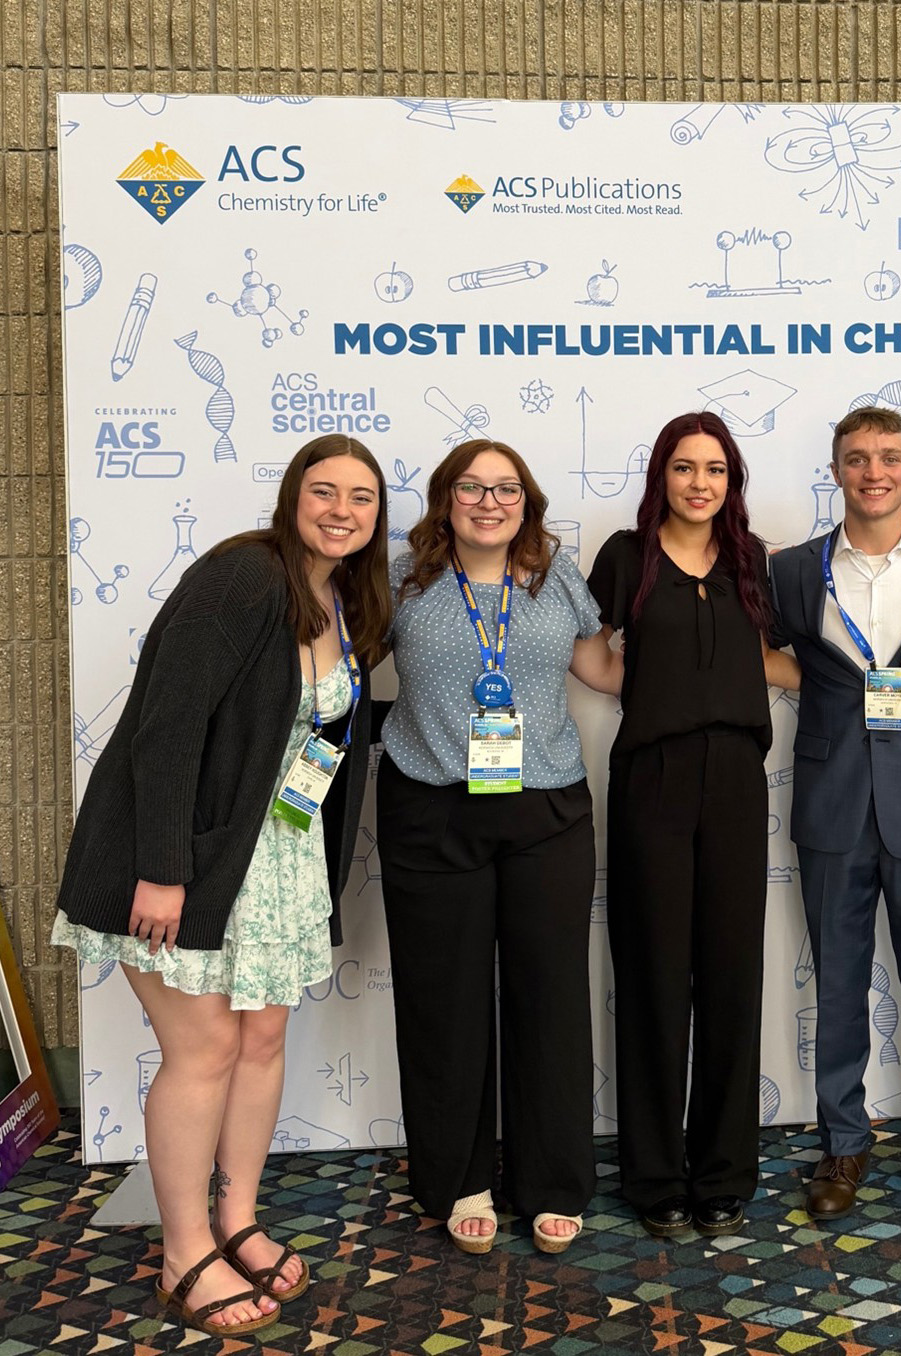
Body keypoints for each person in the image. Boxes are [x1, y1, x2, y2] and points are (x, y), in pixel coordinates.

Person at [52, 434, 389, 1335]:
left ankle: (237, 1221)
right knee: (201, 1051)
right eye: (325, 491)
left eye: (362, 497)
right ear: (292, 496)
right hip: (183, 860)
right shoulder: (244, 577)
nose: (342, 511)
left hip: (274, 860)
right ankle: (183, 1251)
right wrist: (162, 871)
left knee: (262, 1044)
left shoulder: (344, 598)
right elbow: (167, 726)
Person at [377, 437, 622, 1255]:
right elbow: (335, 661)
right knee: (444, 1002)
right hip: (431, 808)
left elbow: (602, 669)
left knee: (549, 998)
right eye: (472, 487)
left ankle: (552, 1178)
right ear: (446, 498)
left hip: (546, 811)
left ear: (528, 500)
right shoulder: (403, 583)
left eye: (507, 487)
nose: (490, 501)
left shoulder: (557, 580)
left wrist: (712, 621)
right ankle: (459, 1177)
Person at [587, 411, 799, 1238]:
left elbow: (779, 661)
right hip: (653, 779)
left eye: (715, 469)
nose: (700, 483)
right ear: (661, 476)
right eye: (684, 467)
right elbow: (587, 649)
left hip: (738, 782)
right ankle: (652, 1178)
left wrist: (740, 679)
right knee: (652, 978)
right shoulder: (625, 556)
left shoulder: (754, 561)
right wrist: (649, 687)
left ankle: (723, 1175)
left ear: (732, 481)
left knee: (731, 977)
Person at [769, 407, 901, 1224]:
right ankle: (844, 1144)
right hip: (831, 802)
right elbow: (761, 649)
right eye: (857, 459)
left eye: (888, 457)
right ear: (836, 470)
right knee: (839, 981)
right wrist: (819, 687)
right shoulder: (794, 570)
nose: (874, 472)